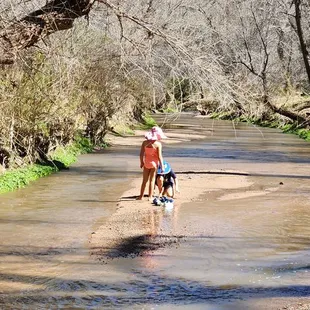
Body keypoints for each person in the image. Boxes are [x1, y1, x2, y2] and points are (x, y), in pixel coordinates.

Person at [138, 126, 167, 201]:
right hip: (154, 164)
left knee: (144, 180)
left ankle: (141, 196)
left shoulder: (144, 143)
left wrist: (142, 162)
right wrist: (162, 166)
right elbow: (160, 156)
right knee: (152, 180)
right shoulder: (158, 144)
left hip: (146, 163)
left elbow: (141, 154)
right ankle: (150, 197)